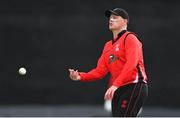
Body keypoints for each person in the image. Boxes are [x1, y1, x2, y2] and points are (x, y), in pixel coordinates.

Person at [68, 8, 148, 117]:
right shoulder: (108, 45)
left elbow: (132, 64)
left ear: (125, 21)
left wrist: (115, 85)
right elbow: (99, 72)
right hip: (118, 88)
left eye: (115, 18)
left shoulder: (130, 38)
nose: (111, 20)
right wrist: (80, 76)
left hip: (134, 85)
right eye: (110, 18)